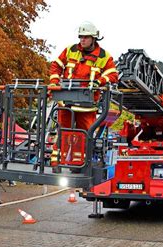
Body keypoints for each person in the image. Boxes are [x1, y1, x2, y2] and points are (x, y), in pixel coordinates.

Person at [48, 21, 119, 170]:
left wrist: (99, 82)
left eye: (86, 37)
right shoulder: (70, 50)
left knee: (84, 135)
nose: (82, 40)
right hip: (66, 102)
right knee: (63, 132)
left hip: (87, 105)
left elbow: (112, 74)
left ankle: (77, 164)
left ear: (94, 38)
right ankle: (56, 162)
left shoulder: (104, 56)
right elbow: (56, 65)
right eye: (81, 37)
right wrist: (54, 82)